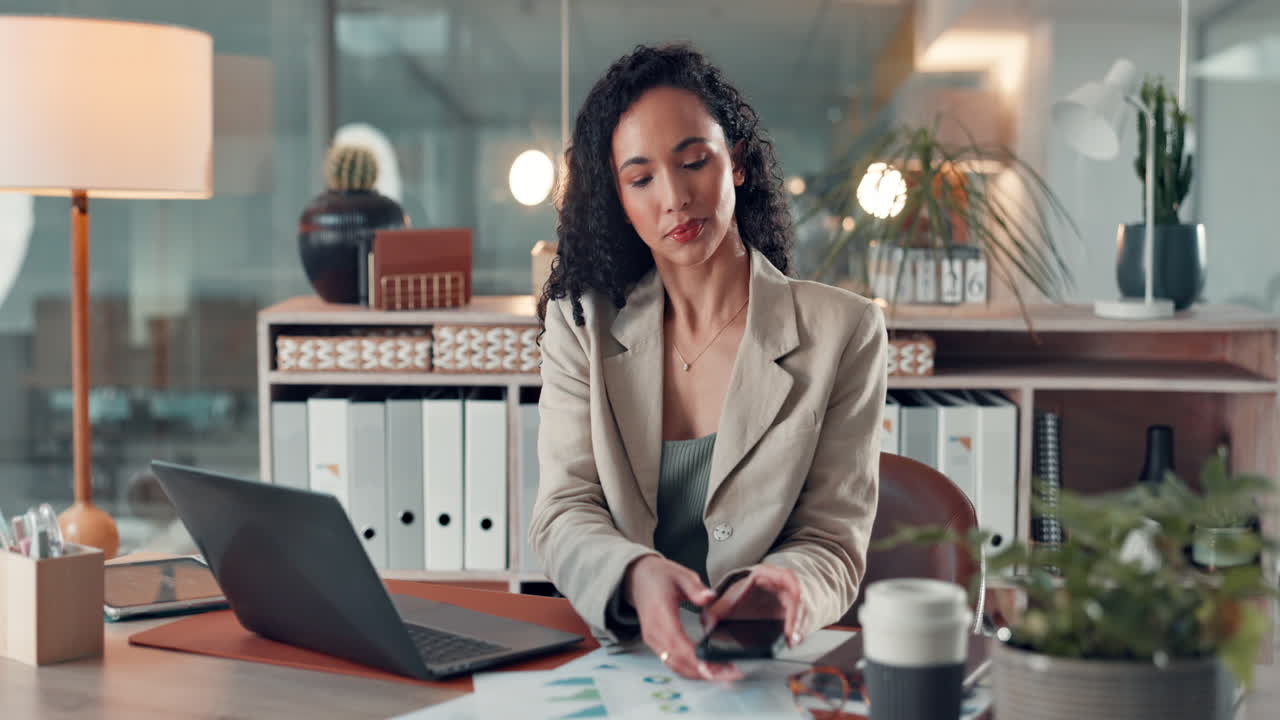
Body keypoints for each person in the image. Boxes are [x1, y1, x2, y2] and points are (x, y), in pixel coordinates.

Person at [530, 44, 886, 682]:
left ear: (738, 163)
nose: (674, 198)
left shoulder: (845, 331)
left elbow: (832, 542)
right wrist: (635, 575)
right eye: (640, 179)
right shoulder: (581, 324)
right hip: (620, 657)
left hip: (761, 667)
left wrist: (779, 594)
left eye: (694, 161)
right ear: (618, 198)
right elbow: (564, 509)